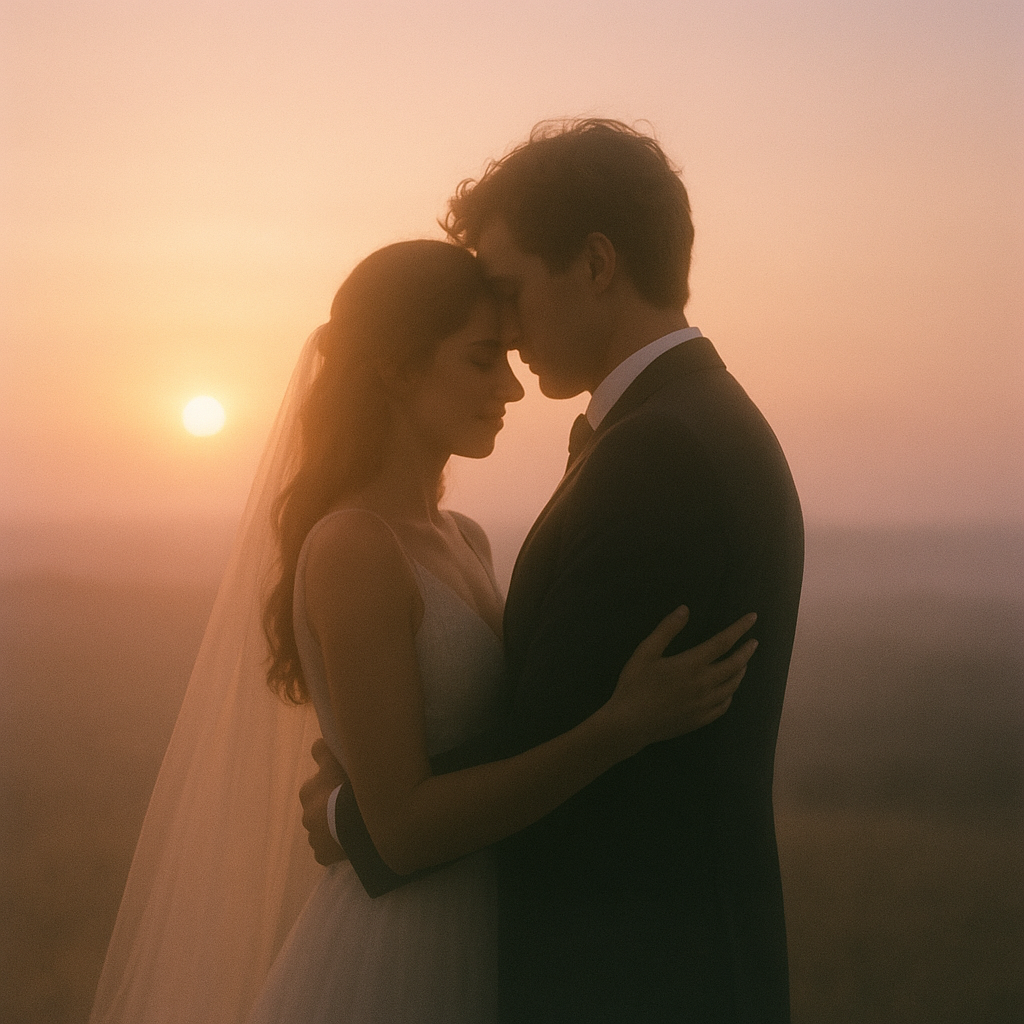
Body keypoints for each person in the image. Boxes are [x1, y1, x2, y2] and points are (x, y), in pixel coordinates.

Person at [89, 237, 756, 1024]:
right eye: (481, 360)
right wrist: (621, 725)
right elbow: (402, 831)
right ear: (397, 369)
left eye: (507, 357)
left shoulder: (463, 537)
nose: (511, 387)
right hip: (396, 958)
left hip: (488, 938)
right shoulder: (352, 547)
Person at [303, 120, 805, 1023]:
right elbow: (557, 718)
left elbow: (553, 724)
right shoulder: (686, 423)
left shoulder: (660, 454)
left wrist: (358, 816)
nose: (507, 329)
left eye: (510, 289)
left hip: (637, 976)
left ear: (597, 263)